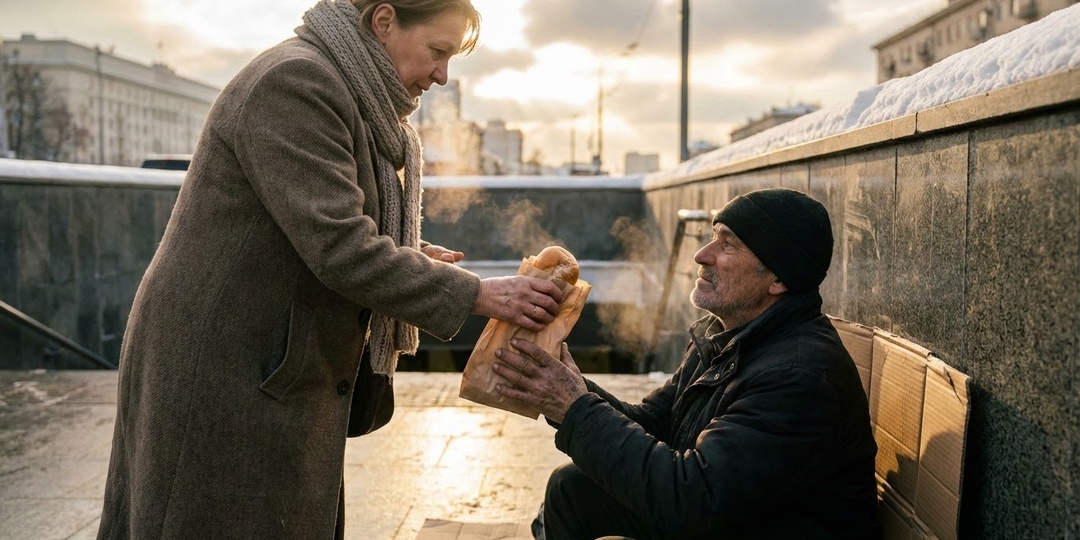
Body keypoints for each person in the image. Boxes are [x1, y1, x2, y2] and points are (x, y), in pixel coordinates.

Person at [96, 1, 564, 539]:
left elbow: (331, 224)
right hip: (224, 361)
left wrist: (407, 254)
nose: (442, 75)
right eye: (438, 52)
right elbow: (340, 245)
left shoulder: (345, 89)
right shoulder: (296, 82)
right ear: (384, 22)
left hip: (265, 351)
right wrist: (479, 295)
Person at [494, 188, 881, 540]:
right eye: (713, 236)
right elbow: (654, 423)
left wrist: (574, 406)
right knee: (574, 487)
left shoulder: (799, 379)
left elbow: (693, 498)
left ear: (778, 278)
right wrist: (570, 389)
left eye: (728, 245)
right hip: (732, 519)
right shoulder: (729, 335)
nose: (701, 255)